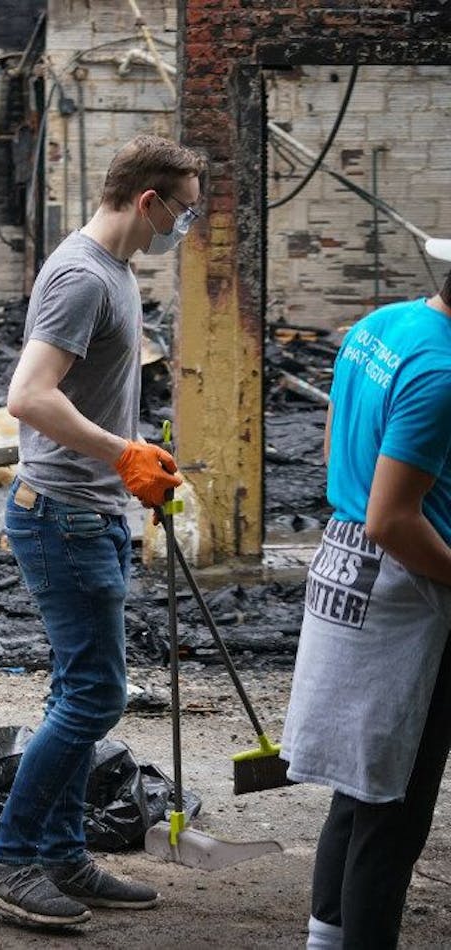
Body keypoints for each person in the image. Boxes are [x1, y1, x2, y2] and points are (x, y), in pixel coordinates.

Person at [0, 134, 201, 926]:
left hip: (90, 512)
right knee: (97, 694)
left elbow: (90, 395)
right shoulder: (79, 277)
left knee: (80, 689)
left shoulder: (116, 272)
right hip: (61, 515)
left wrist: (133, 455)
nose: (186, 226)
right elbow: (28, 396)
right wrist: (121, 453)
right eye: (184, 211)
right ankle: (8, 858)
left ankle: (61, 857)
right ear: (149, 202)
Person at [282, 238, 451, 949]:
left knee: (359, 785)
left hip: (343, 563)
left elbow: (336, 458)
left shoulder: (380, 326)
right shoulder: (442, 373)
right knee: (395, 808)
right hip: (403, 595)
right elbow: (392, 518)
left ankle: (326, 938)